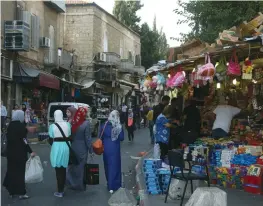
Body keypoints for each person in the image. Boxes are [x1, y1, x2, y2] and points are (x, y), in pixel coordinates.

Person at [3, 110, 36, 199]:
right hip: (20, 153)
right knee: (20, 173)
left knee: (11, 171)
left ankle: (11, 191)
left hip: (10, 153)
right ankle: (21, 192)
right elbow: (24, 141)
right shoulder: (21, 127)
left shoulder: (10, 126)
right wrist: (30, 151)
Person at [66, 107, 93, 191]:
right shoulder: (86, 123)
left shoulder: (72, 122)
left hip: (72, 146)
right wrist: (91, 150)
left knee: (72, 166)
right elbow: (87, 138)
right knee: (81, 167)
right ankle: (79, 185)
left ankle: (71, 184)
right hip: (82, 148)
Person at [48, 110, 71, 198]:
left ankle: (60, 190)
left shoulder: (52, 126)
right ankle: (62, 186)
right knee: (63, 168)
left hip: (57, 147)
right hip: (66, 147)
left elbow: (51, 138)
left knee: (58, 170)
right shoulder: (67, 124)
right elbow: (69, 134)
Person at [101, 110, 124, 193]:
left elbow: (101, 135)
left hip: (106, 148)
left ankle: (109, 184)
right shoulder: (118, 126)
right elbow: (121, 138)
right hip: (115, 148)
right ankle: (114, 185)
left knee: (107, 166)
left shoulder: (104, 124)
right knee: (115, 166)